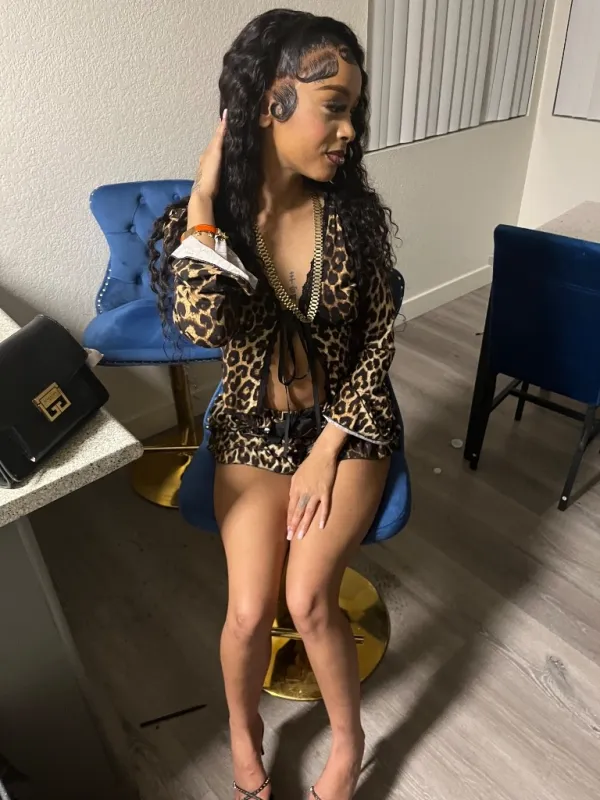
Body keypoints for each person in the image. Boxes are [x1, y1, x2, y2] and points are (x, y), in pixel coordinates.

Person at [149, 9, 404, 800]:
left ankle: (348, 742)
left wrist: (327, 451)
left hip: (347, 427)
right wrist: (202, 196)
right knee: (248, 609)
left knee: (308, 599)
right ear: (270, 103)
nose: (350, 130)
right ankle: (242, 727)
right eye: (335, 107)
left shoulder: (352, 220)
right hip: (253, 430)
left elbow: (379, 343)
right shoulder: (203, 228)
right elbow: (202, 323)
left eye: (354, 110)